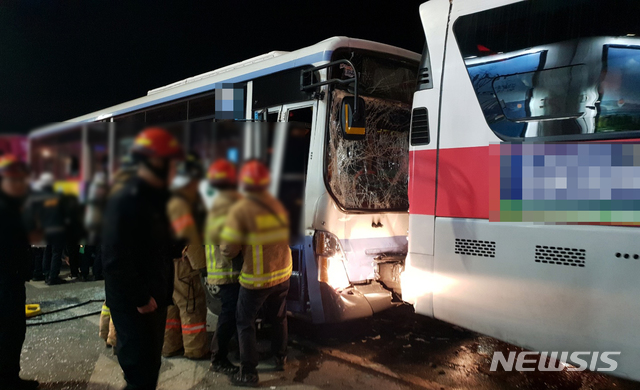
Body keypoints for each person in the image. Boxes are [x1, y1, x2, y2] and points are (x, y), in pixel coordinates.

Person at [102, 127, 184, 390]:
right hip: (135, 304)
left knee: (149, 368)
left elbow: (161, 244)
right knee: (139, 370)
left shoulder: (156, 197)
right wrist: (140, 298)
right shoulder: (124, 198)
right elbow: (115, 258)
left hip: (153, 297)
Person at [220, 160, 292, 387]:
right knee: (279, 316)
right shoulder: (277, 204)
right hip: (283, 274)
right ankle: (280, 358)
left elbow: (228, 249)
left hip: (257, 280)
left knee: (244, 321)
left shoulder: (241, 209)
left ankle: (249, 372)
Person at [162, 152, 209, 360]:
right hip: (183, 263)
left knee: (171, 308)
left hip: (164, 263)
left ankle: (170, 346)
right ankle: (195, 349)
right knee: (192, 307)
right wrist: (202, 266)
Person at [0, 155, 39, 389]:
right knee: (10, 332)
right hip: (7, 280)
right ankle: (8, 381)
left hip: (10, 277)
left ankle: (9, 378)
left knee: (12, 331)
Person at [205, 159, 243, 374]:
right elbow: (229, 246)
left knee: (235, 312)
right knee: (230, 313)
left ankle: (237, 350)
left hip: (222, 268)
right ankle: (218, 357)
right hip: (228, 269)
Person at [36, 172, 68, 285]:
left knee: (48, 251)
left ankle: (46, 274)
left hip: (46, 228)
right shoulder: (57, 196)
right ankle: (53, 277)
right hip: (57, 228)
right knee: (56, 253)